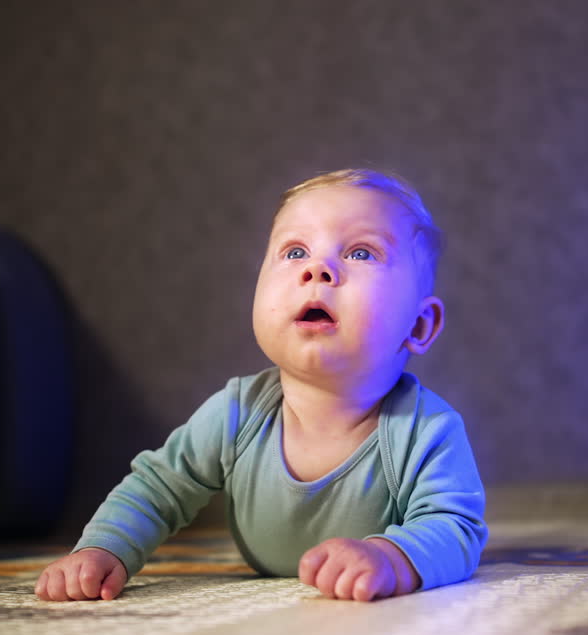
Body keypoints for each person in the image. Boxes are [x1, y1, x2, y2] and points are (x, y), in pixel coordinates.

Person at [35, 168, 487, 603]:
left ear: (420, 324)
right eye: (294, 253)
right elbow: (158, 489)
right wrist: (102, 549)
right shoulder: (236, 413)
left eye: (361, 253)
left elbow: (455, 526)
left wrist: (391, 559)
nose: (318, 269)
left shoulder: (426, 430)